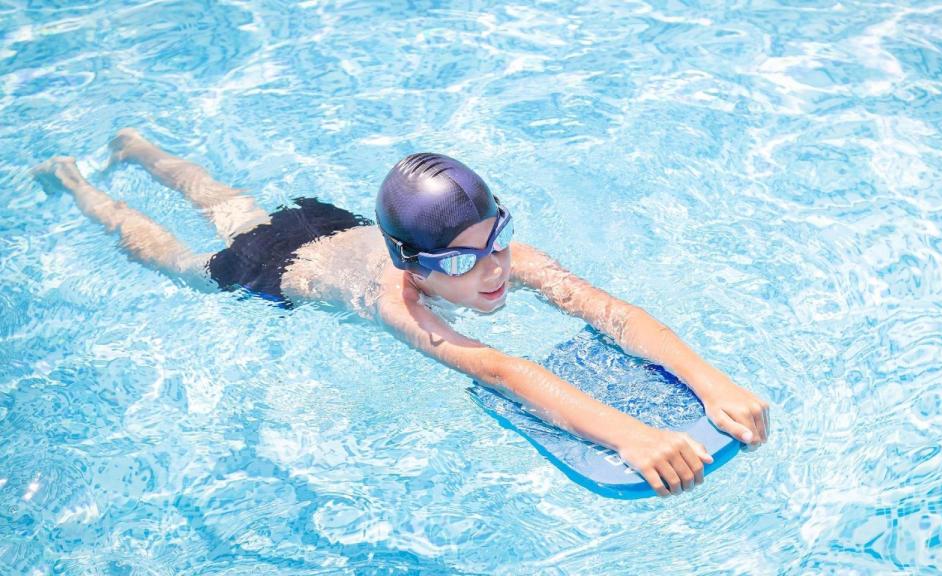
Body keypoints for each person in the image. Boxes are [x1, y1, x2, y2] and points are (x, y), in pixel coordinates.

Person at [34, 128, 770, 497]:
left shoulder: (497, 256)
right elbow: (500, 366)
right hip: (271, 269)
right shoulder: (400, 303)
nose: (492, 271)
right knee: (180, 260)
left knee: (226, 200)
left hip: (329, 226)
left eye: (498, 242)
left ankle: (136, 146)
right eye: (461, 261)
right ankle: (83, 188)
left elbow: (614, 314)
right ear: (415, 264)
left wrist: (713, 383)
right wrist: (630, 434)